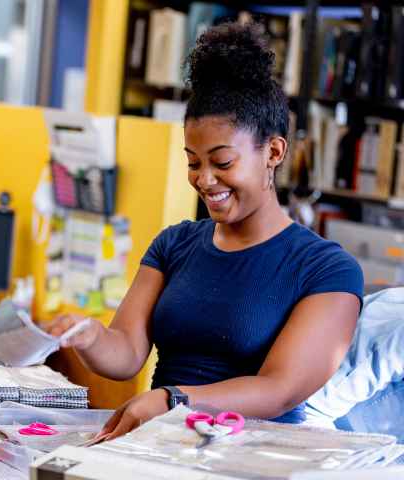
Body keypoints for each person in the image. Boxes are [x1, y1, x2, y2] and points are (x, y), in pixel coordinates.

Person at [46, 22, 363, 440]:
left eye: (223, 162)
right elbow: (126, 353)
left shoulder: (327, 270)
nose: (205, 180)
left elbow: (279, 390)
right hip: (158, 443)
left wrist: (173, 400)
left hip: (248, 457)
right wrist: (89, 336)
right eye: (194, 163)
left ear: (273, 151)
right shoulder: (175, 244)